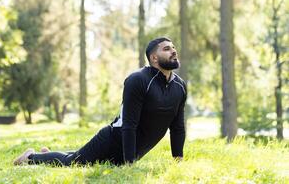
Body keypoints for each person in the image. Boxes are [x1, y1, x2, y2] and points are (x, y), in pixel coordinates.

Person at [13, 37, 187, 166]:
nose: (173, 51)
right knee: (74, 163)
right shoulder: (138, 79)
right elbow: (129, 125)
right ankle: (30, 157)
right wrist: (130, 163)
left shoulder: (179, 86)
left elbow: (177, 127)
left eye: (173, 47)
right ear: (154, 58)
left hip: (133, 149)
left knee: (80, 158)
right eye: (166, 49)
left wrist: (178, 161)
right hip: (112, 139)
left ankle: (47, 155)